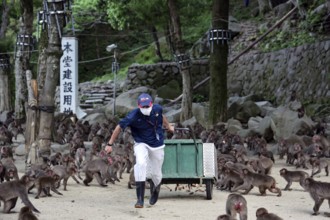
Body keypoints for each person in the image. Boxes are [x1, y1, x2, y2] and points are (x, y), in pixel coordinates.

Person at [105, 93, 174, 208]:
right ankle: (140, 199)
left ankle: (156, 189)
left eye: (147, 106)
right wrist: (109, 144)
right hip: (141, 142)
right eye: (143, 107)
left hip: (157, 144)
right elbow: (119, 127)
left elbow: (161, 116)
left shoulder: (157, 109)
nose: (146, 109)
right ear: (139, 106)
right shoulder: (133, 115)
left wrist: (168, 126)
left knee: (156, 174)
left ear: (151, 104)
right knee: (140, 164)